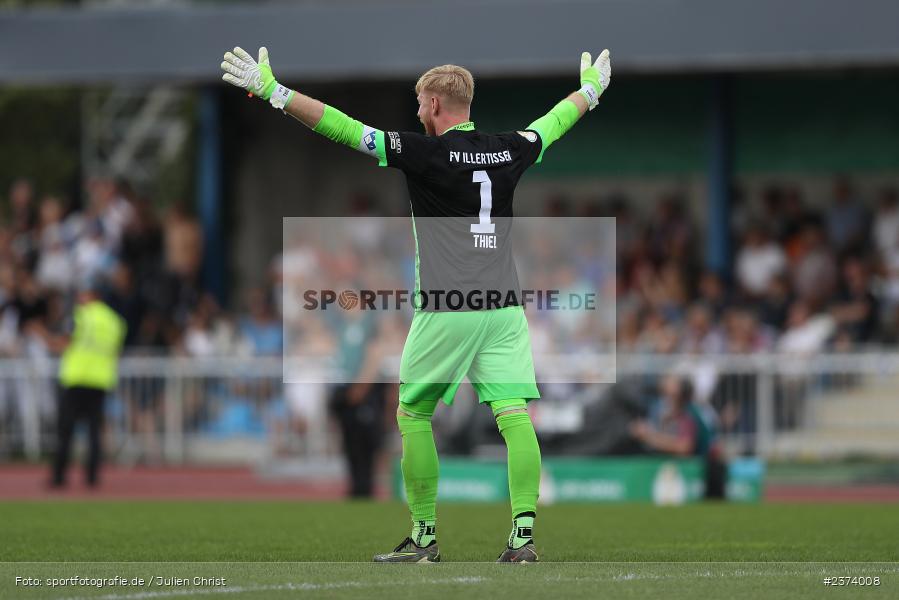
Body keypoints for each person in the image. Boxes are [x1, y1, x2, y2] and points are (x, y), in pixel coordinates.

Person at [221, 45, 612, 562]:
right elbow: (553, 123)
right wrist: (590, 91)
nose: (418, 113)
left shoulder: (424, 153)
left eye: (420, 105)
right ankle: (522, 537)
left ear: (432, 104)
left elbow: (342, 127)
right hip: (503, 310)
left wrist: (276, 92)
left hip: (449, 307)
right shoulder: (510, 147)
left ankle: (424, 537)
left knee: (412, 413)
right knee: (514, 415)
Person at [49, 284, 126, 489]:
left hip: (76, 377)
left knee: (66, 429)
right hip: (100, 380)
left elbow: (63, 343)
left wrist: (44, 336)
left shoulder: (80, 316)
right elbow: (116, 351)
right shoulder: (115, 321)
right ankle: (92, 477)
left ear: (91, 295)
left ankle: (58, 476)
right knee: (94, 431)